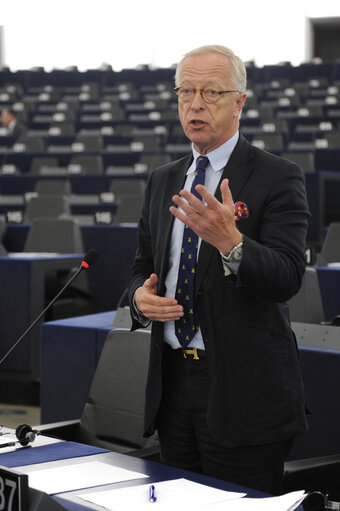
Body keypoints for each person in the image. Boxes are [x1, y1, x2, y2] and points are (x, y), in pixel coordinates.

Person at [128, 44, 309, 495]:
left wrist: (232, 243)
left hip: (243, 392)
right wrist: (138, 298)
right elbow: (141, 267)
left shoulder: (278, 176)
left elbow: (288, 277)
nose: (195, 104)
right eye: (185, 91)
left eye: (211, 92)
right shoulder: (162, 179)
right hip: (172, 388)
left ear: (240, 101)